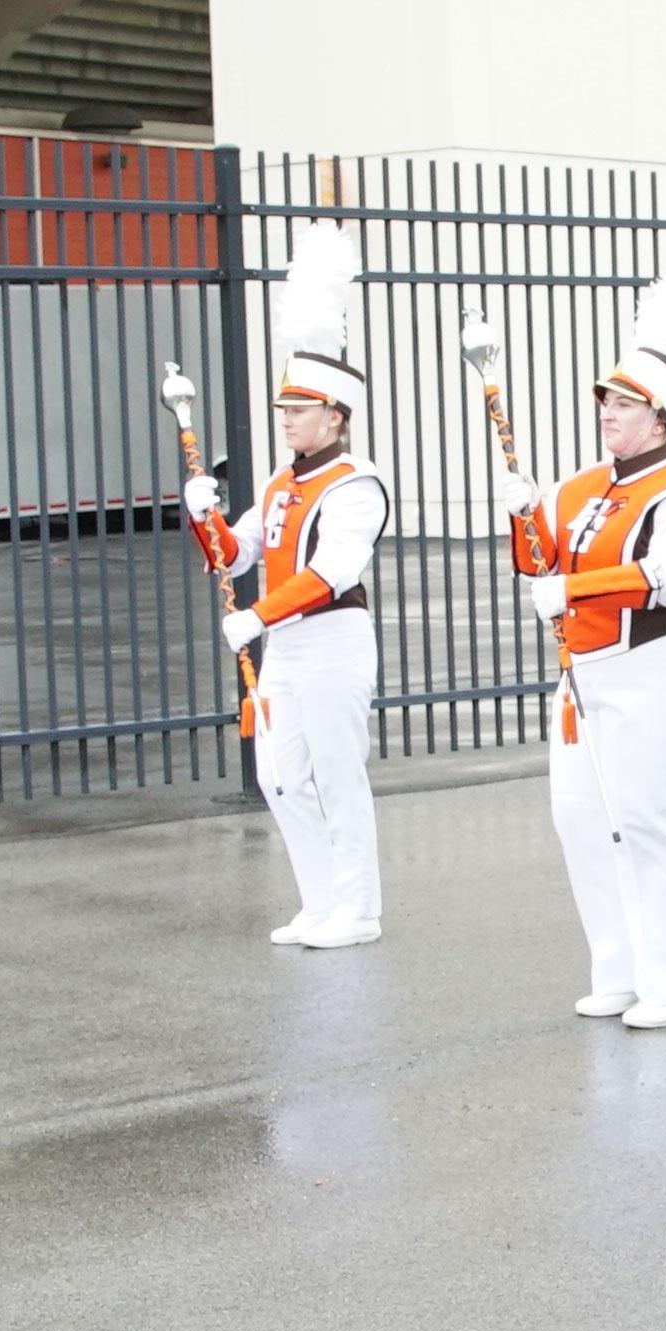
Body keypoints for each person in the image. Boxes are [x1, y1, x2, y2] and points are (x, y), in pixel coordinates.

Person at [506, 237, 666, 1030]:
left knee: (646, 819)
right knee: (580, 819)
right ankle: (619, 968)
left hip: (662, 664)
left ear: (663, 419)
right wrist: (517, 508)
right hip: (586, 674)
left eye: (625, 404)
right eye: (605, 402)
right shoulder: (581, 485)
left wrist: (569, 585)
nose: (608, 413)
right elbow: (533, 560)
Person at [188, 224, 387, 950]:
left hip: (332, 637)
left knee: (337, 776)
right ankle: (318, 901)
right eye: (282, 411)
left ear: (334, 415)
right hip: (286, 645)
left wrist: (259, 616)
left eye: (296, 411)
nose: (286, 420)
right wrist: (202, 513)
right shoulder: (278, 481)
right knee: (280, 777)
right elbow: (234, 555)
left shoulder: (357, 483)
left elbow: (333, 569)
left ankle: (358, 909)